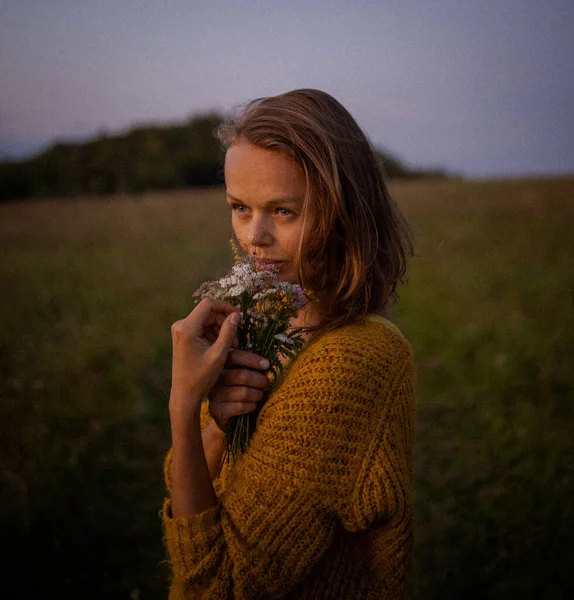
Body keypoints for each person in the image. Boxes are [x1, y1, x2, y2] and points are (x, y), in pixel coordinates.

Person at [161, 88, 416, 599]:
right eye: (239, 207)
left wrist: (184, 410)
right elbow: (182, 482)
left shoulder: (350, 362)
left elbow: (225, 588)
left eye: (283, 211)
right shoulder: (273, 322)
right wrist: (215, 430)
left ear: (343, 210)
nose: (255, 236)